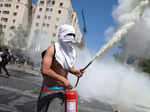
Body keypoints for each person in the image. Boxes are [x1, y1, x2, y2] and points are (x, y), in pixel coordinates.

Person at [37, 24, 84, 112]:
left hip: (61, 90)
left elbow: (68, 66)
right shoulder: (52, 49)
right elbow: (45, 69)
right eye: (69, 35)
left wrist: (75, 71)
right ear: (62, 34)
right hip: (47, 89)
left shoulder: (72, 52)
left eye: (73, 35)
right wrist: (63, 79)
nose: (72, 37)